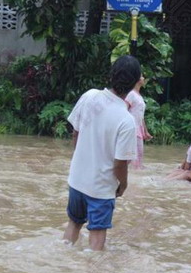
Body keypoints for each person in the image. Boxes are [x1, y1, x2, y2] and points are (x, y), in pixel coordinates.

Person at [63, 55, 141, 251]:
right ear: (133, 85)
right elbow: (119, 164)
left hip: (77, 180)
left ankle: (62, 258)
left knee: (73, 223)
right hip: (101, 189)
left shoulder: (89, 96)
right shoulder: (126, 120)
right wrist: (123, 185)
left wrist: (81, 161)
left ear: (111, 74)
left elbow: (76, 134)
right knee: (96, 236)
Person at [125, 75, 153, 169]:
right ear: (136, 80)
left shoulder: (139, 96)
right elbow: (124, 111)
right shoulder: (131, 94)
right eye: (141, 77)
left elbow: (141, 116)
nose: (144, 78)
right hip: (131, 128)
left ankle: (137, 175)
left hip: (138, 129)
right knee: (133, 155)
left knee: (139, 155)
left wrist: (145, 131)